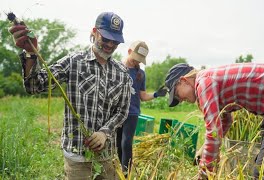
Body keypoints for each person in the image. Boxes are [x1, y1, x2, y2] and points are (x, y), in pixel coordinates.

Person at [9, 12, 132, 179]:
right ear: (94, 32)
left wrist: (104, 133)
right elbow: (34, 85)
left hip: (107, 157)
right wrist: (32, 53)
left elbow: (122, 112)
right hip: (77, 158)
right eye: (106, 38)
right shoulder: (73, 62)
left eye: (115, 41)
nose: (110, 44)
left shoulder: (122, 73)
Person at [164, 63, 264, 179]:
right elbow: (225, 120)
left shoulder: (203, 84)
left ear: (184, 80)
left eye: (177, 94)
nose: (180, 100)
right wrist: (203, 149)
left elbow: (213, 132)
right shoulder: (208, 80)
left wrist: (204, 175)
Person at [116, 40, 167, 173]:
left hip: (132, 113)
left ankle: (127, 173)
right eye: (135, 59)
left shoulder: (140, 74)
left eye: (139, 60)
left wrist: (156, 94)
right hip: (116, 112)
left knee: (126, 143)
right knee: (117, 143)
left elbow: (143, 96)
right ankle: (119, 170)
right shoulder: (115, 67)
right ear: (129, 51)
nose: (136, 62)